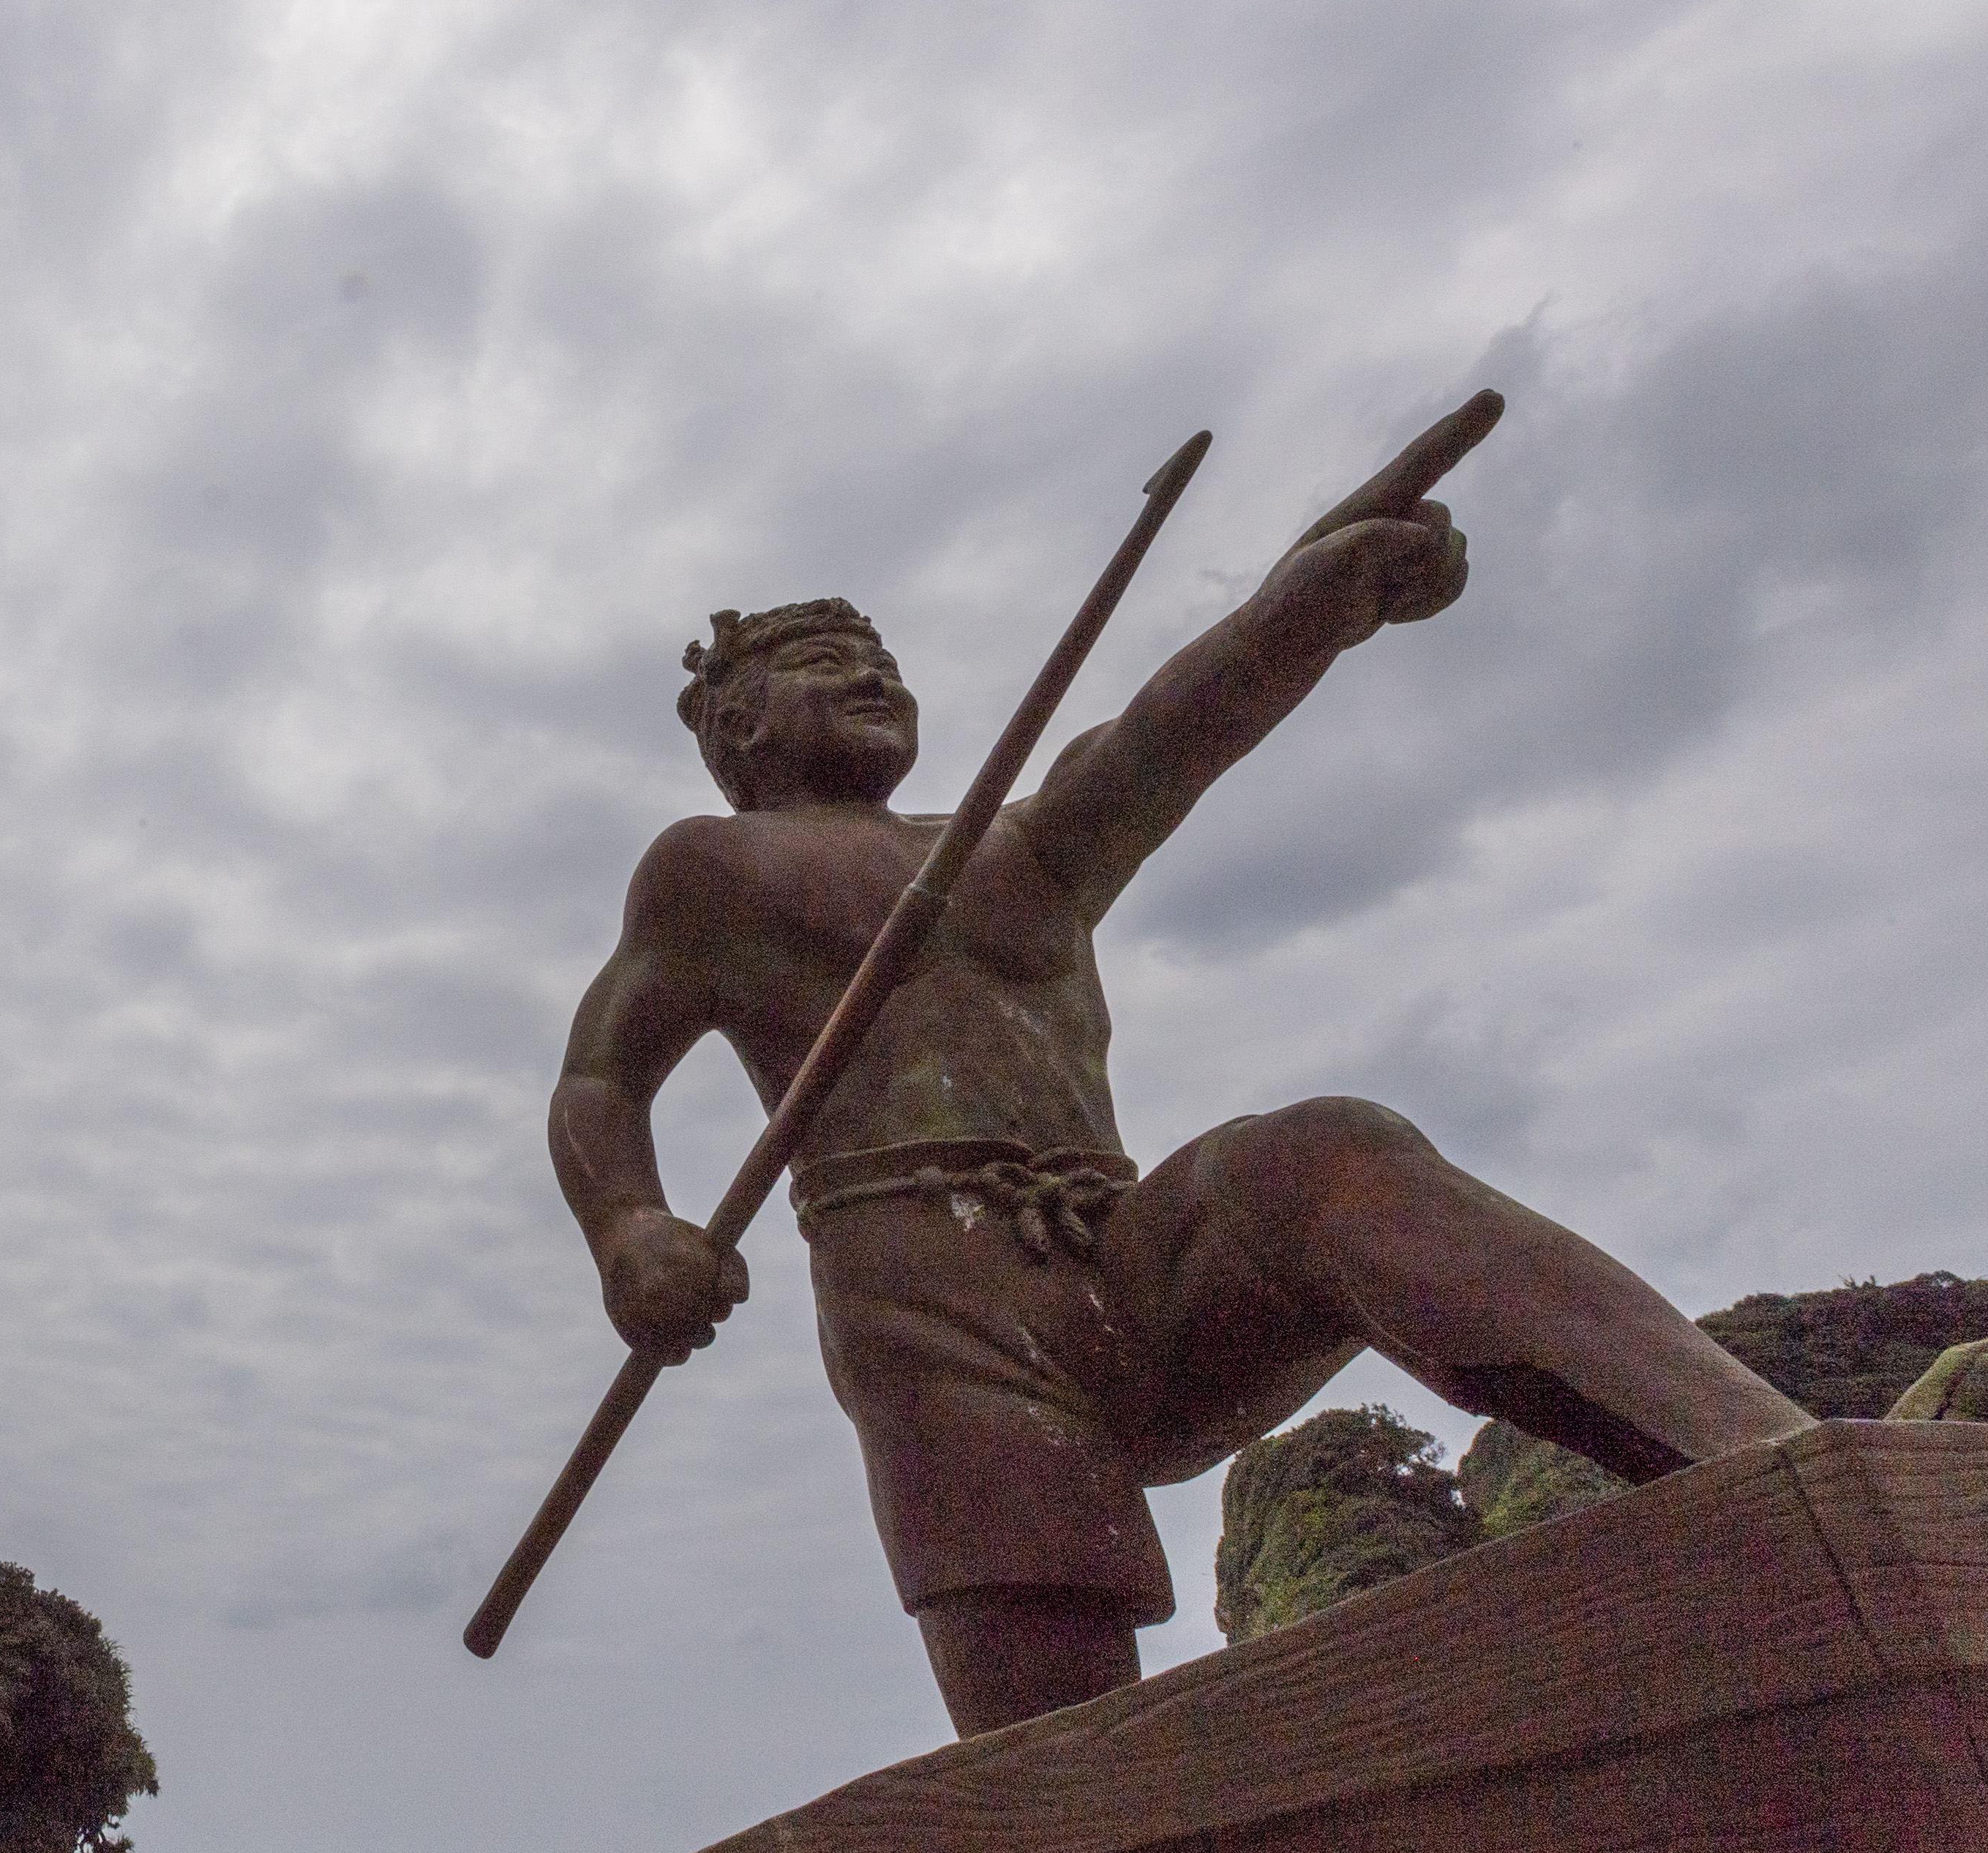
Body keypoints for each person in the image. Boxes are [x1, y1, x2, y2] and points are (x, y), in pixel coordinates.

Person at [550, 473, 1812, 1735]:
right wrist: (629, 1228)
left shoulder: (1014, 844)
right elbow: (601, 1074)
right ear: (740, 730)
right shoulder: (710, 869)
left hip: (1121, 1252)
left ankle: (1784, 1460)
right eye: (828, 661)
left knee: (1328, 1154)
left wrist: (1312, 603)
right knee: (1063, 1746)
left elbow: (1164, 735)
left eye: (883, 659)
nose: (873, 677)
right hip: (934, 1313)